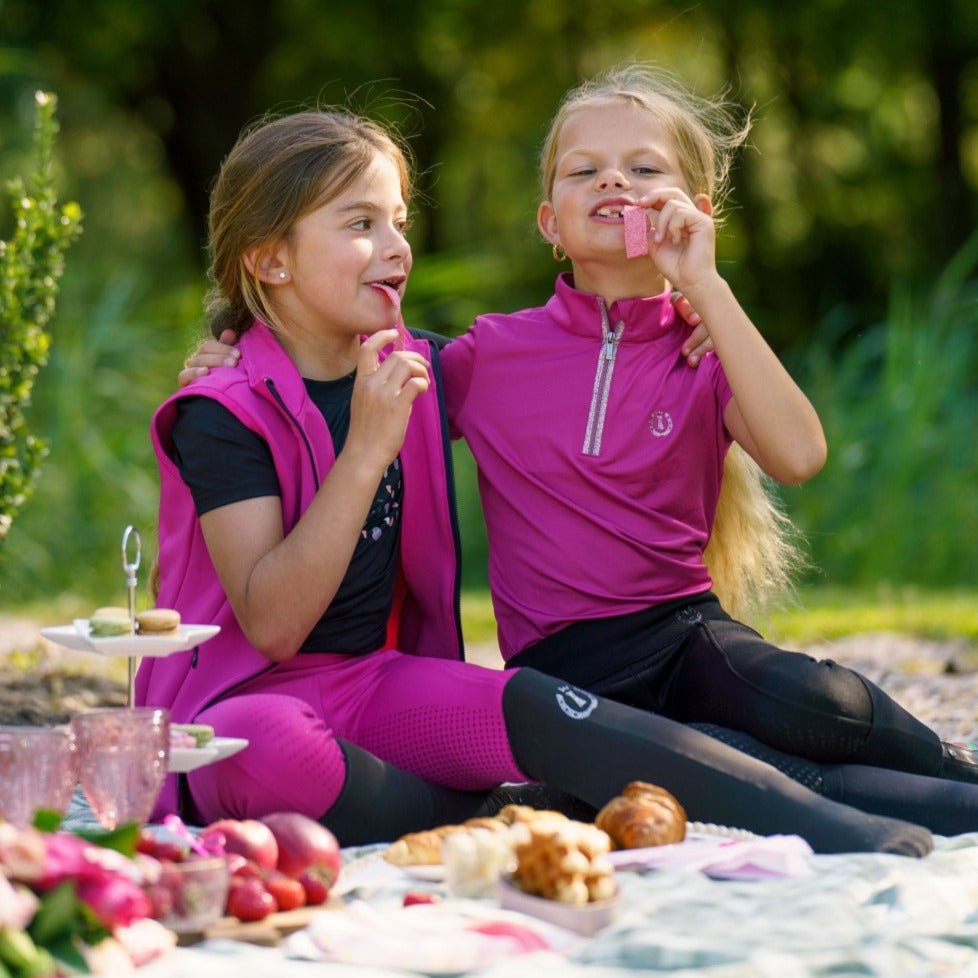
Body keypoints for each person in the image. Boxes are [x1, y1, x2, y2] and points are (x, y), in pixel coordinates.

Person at [178, 66, 978, 840]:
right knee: (729, 762)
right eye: (584, 169)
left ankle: (957, 783)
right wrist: (236, 345)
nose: (613, 183)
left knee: (813, 701)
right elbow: (307, 377)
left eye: (641, 168)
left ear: (692, 211)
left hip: (680, 632)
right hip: (565, 665)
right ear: (548, 224)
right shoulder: (481, 359)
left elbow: (800, 453)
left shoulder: (702, 352)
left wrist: (709, 293)